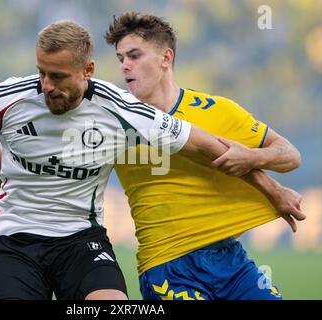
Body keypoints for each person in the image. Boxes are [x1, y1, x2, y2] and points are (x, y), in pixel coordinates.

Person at [0, 20, 304, 300]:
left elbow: (213, 148)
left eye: (135, 55)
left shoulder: (130, 112)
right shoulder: (7, 99)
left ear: (88, 71)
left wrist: (270, 184)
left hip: (89, 243)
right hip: (23, 240)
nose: (47, 86)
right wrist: (1, 179)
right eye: (42, 73)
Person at [104, 12, 305, 300]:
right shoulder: (114, 121)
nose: (125, 66)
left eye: (134, 56)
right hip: (167, 267)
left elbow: (290, 155)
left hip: (231, 261)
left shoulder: (216, 110)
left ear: (166, 57)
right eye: (120, 58)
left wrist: (251, 157)